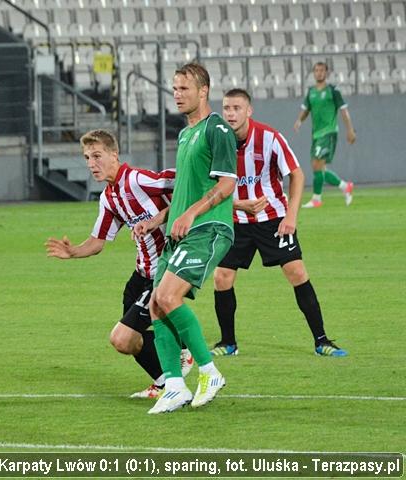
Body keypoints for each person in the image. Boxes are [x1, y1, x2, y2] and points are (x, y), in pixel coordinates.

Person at [45, 129, 193, 399]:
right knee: (132, 340)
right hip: (140, 274)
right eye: (87, 157)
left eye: (97, 156)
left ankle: (184, 349)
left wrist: (160, 217)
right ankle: (164, 382)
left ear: (115, 154)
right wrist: (74, 252)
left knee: (122, 338)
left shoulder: (138, 179)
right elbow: (98, 241)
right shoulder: (109, 197)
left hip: (164, 272)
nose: (91, 163)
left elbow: (187, 183)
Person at [212, 88, 347, 358]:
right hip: (235, 219)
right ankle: (228, 343)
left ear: (249, 111)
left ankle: (322, 341)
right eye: (227, 108)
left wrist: (291, 216)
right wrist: (237, 205)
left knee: (296, 272)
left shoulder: (270, 138)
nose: (231, 113)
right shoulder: (216, 142)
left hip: (272, 218)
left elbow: (296, 174)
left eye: (237, 108)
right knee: (222, 277)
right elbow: (211, 186)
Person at [133, 62, 237, 414]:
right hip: (180, 232)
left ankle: (209, 372)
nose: (177, 94)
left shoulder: (217, 129)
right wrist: (158, 219)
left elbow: (227, 183)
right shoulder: (184, 133)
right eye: (174, 88)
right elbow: (184, 190)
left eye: (183, 89)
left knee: (166, 295)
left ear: (203, 91)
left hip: (208, 230)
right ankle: (175, 385)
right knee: (155, 304)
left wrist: (192, 214)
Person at [294, 62, 356, 208]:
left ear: (326, 73)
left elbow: (343, 110)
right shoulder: (311, 92)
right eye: (316, 70)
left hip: (329, 132)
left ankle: (317, 199)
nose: (319, 73)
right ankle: (344, 186)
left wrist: (350, 130)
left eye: (321, 70)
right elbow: (306, 109)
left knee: (317, 165)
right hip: (316, 134)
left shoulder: (333, 91)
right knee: (319, 168)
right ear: (313, 73)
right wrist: (299, 120)